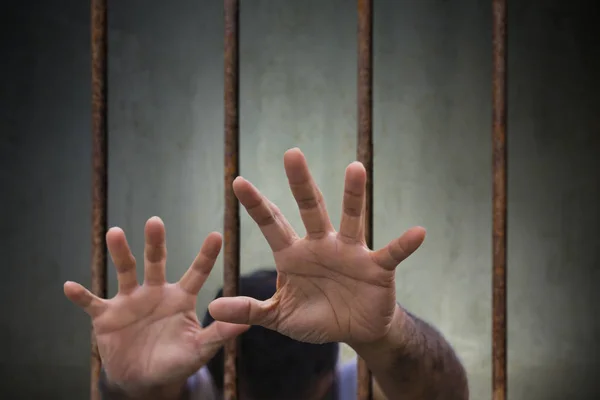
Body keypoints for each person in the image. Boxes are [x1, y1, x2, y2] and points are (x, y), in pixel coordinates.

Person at [64, 148, 469, 400]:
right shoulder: (201, 387)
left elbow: (443, 394)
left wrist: (387, 334)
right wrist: (137, 390)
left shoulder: (353, 386)